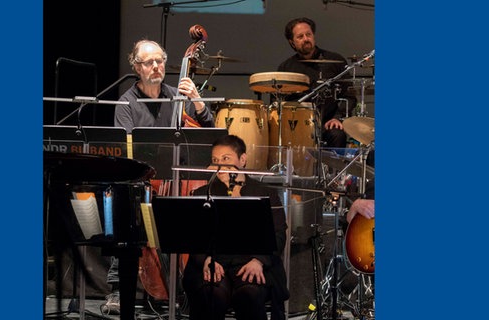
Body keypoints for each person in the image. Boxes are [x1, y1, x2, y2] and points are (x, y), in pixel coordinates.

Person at [182, 134, 289, 320]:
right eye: (215, 161)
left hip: (252, 262)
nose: (220, 166)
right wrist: (206, 260)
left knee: (249, 295)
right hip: (216, 262)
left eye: (226, 159)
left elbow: (279, 234)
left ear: (243, 160)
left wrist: (259, 261)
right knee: (211, 295)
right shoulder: (203, 193)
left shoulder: (265, 193)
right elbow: (194, 236)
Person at [277, 17, 353, 149]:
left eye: (308, 34)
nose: (306, 39)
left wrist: (338, 117)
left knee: (337, 135)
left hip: (328, 122)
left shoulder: (335, 61)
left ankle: (334, 171)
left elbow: (350, 96)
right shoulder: (286, 68)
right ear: (292, 42)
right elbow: (277, 102)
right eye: (300, 36)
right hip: (296, 125)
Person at [114, 39, 215, 133]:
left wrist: (197, 100)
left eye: (159, 61)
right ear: (138, 68)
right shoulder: (126, 103)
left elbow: (209, 133)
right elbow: (126, 146)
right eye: (149, 62)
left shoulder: (179, 97)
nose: (156, 67)